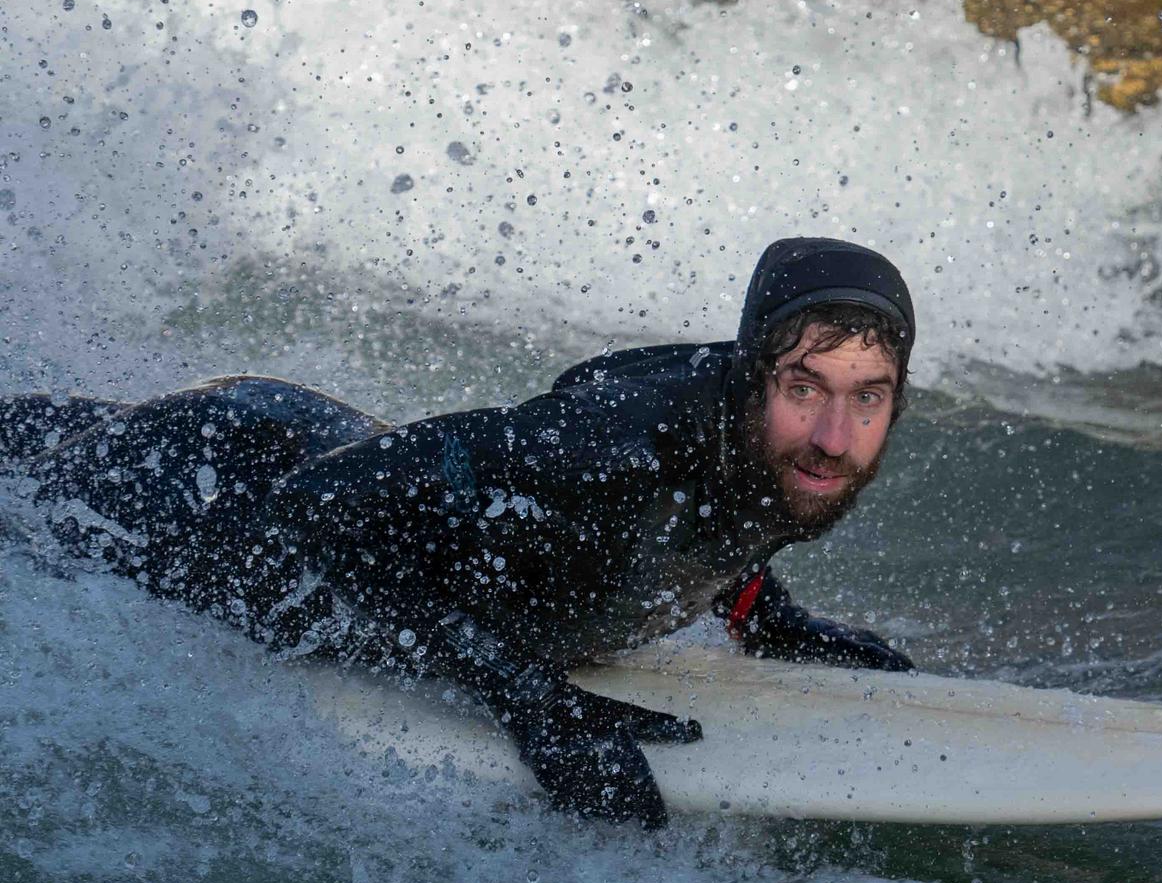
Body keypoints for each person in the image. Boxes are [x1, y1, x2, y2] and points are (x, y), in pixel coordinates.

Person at [1, 237, 917, 829]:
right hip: (204, 493)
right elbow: (315, 504)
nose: (837, 436)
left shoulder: (787, 447)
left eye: (866, 398)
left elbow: (711, 509)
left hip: (261, 454)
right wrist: (527, 700)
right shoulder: (608, 447)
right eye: (805, 390)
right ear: (755, 375)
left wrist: (759, 607)